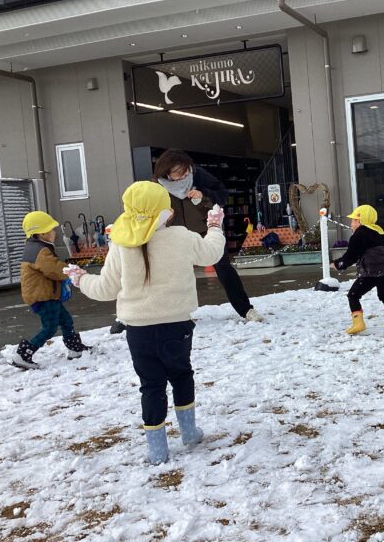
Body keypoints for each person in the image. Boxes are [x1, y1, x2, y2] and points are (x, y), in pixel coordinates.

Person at [66, 181, 226, 464]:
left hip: (138, 330)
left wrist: (82, 280)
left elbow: (104, 288)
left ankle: (157, 450)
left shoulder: (121, 244)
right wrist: (214, 227)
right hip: (177, 325)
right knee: (181, 375)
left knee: (150, 386)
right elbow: (211, 253)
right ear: (166, 211)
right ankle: (189, 432)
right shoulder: (182, 237)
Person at [154, 149, 263, 322]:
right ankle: (170, 316)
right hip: (175, 235)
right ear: (166, 172)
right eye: (177, 173)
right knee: (173, 276)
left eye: (185, 172)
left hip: (206, 233)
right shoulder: (156, 186)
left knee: (224, 269)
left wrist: (204, 194)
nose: (182, 177)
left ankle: (246, 310)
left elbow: (222, 195)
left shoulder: (198, 175)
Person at [13, 211, 91, 369]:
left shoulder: (37, 246)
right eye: (52, 229)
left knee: (66, 320)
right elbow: (52, 268)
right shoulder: (40, 251)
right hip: (42, 297)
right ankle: (23, 354)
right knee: (49, 327)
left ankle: (75, 349)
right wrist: (71, 271)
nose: (54, 232)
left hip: (46, 295)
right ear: (42, 233)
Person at [331, 205, 384, 335]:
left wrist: (338, 264)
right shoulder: (378, 233)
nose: (351, 224)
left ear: (359, 220)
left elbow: (351, 256)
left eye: (353, 220)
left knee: (353, 295)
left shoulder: (360, 234)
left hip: (371, 272)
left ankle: (358, 323)